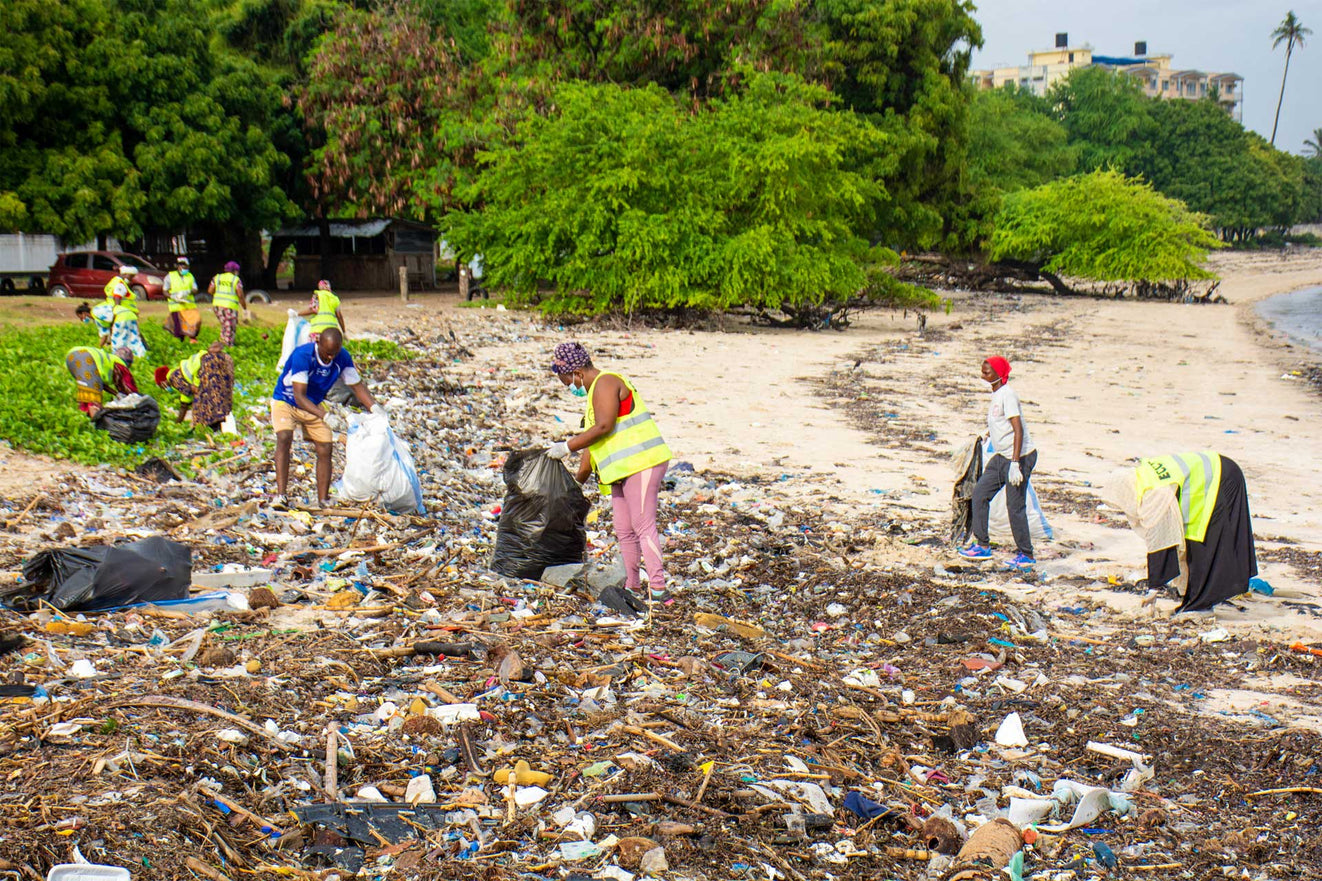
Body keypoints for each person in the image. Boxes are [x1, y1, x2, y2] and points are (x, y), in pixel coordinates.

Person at [546, 342, 674, 603]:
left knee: (643, 525)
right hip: (621, 471)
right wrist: (576, 483)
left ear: (577, 373)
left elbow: (604, 426)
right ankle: (632, 586)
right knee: (624, 529)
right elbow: (591, 444)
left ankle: (659, 590)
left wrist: (566, 447)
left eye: (567, 382)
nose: (569, 387)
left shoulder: (606, 382)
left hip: (643, 462)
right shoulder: (593, 397)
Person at [1105, 452, 1257, 614]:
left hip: (1220, 477)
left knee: (1205, 542)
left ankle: (1201, 606)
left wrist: (1154, 588)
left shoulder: (1154, 493)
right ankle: (1192, 601)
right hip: (1215, 473)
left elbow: (1161, 540)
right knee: (1193, 541)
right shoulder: (1144, 476)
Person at [270, 327, 383, 508]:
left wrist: (375, 408)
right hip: (287, 400)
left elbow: (357, 386)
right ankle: (281, 496)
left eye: (334, 353)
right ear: (318, 343)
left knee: (325, 446)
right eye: (327, 353)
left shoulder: (342, 358)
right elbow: (299, 396)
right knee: (284, 437)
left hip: (313, 404)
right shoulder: (303, 356)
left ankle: (323, 499)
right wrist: (326, 415)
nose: (330, 357)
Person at [960, 355, 1038, 570]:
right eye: (982, 371)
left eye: (987, 372)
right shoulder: (996, 395)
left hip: (1020, 457)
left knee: (1015, 506)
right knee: (980, 494)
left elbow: (1018, 430)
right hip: (1001, 456)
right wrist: (986, 434)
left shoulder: (1008, 395)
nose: (982, 375)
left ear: (999, 373)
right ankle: (982, 545)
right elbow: (1000, 424)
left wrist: (1015, 463)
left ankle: (1026, 554)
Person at [153, 341, 234, 428]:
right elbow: (186, 398)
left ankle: (209, 426)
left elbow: (186, 402)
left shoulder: (173, 378)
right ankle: (220, 422)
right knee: (221, 393)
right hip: (222, 359)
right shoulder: (178, 373)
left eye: (162, 386)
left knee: (202, 405)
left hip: (208, 364)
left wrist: (177, 423)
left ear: (163, 382)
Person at [65, 345, 138, 418]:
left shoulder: (109, 360)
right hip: (86, 358)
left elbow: (100, 384)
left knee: (87, 391)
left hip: (71, 357)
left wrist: (116, 394)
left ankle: (83, 417)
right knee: (94, 399)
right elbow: (130, 388)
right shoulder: (120, 365)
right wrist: (135, 399)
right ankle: (96, 420)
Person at [104, 265, 147, 357]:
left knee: (124, 338)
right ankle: (136, 356)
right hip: (124, 316)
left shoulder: (113, 282)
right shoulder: (120, 284)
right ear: (125, 274)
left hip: (120, 315)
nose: (132, 279)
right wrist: (116, 314)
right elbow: (117, 299)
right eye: (131, 276)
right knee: (130, 338)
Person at [209, 260, 250, 347]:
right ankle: (228, 346)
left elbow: (210, 290)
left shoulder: (217, 277)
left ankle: (221, 343)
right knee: (230, 328)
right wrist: (244, 307)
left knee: (224, 325)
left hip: (217, 306)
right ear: (235, 271)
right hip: (229, 307)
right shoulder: (236, 280)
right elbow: (240, 295)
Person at [164, 256, 201, 342]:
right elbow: (165, 291)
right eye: (181, 266)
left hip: (189, 305)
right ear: (178, 266)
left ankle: (192, 339)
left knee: (195, 322)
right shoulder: (170, 276)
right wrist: (172, 296)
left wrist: (188, 292)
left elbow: (195, 289)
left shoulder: (190, 276)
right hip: (176, 306)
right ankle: (180, 342)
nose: (184, 268)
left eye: (185, 267)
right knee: (178, 327)